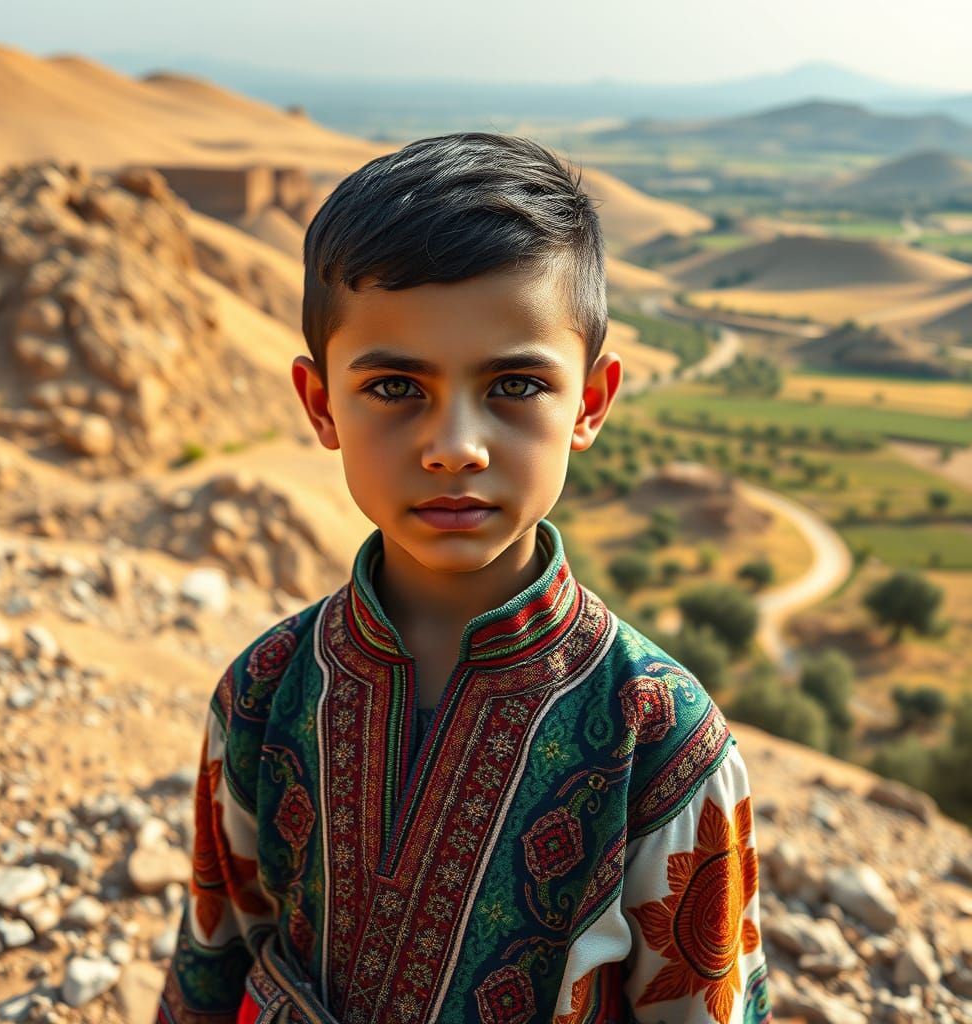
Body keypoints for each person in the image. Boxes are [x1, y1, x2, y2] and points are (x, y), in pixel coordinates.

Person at [156, 132, 772, 1024]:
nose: (454, 448)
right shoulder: (264, 687)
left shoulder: (659, 737)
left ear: (591, 403)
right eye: (395, 388)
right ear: (321, 405)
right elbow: (213, 961)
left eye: (514, 386)